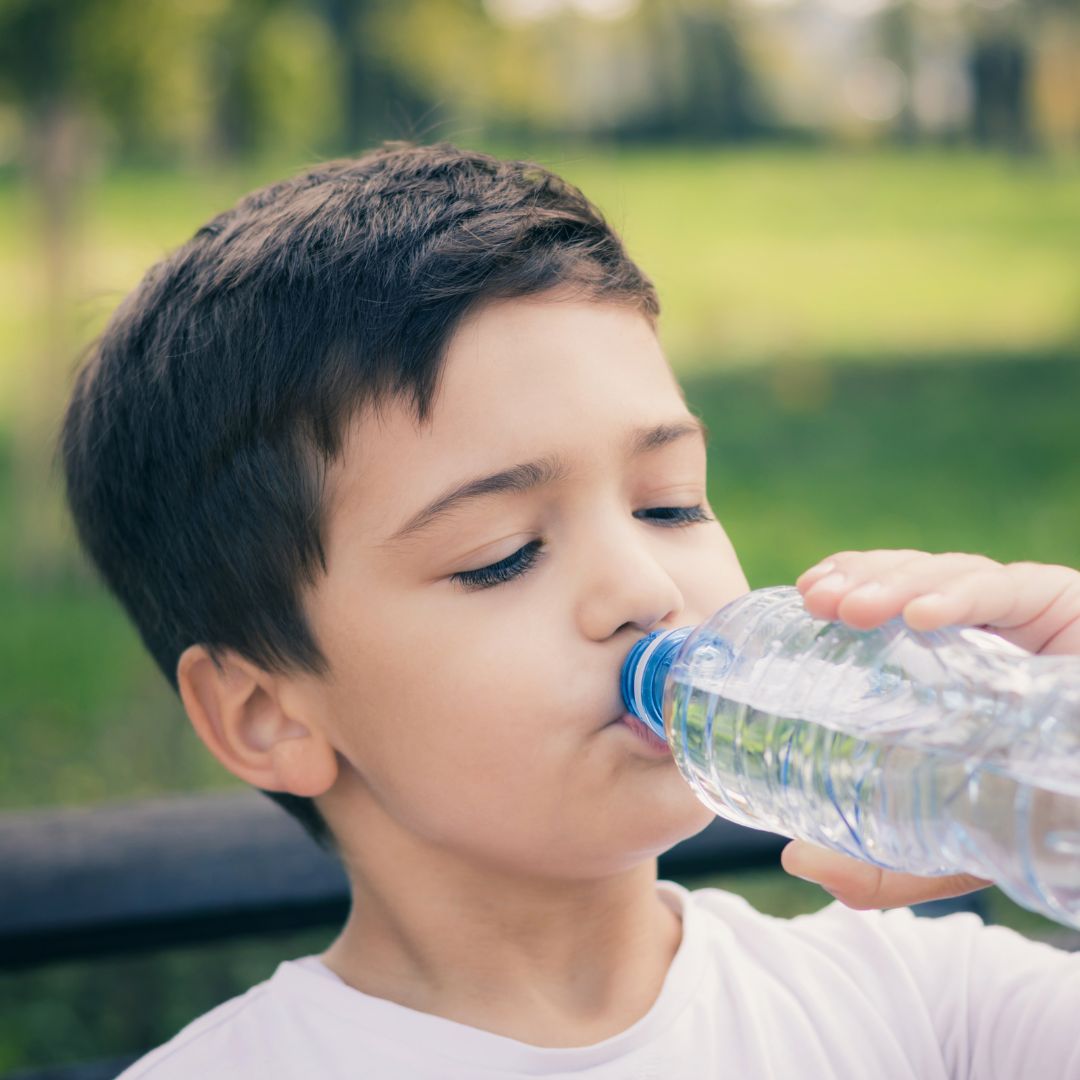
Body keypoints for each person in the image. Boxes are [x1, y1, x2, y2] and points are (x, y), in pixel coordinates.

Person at [58, 141, 1080, 1079]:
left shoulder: (926, 1007)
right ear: (267, 713)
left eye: (670, 501)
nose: (643, 586)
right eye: (502, 558)